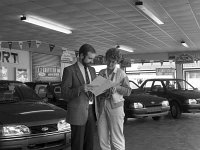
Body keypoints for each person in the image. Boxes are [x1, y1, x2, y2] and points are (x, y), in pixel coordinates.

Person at [61, 44, 97, 150]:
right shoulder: (69, 70)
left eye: (92, 58)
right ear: (81, 56)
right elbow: (64, 93)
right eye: (89, 58)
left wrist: (100, 88)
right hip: (77, 112)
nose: (91, 61)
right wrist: (80, 89)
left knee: (90, 143)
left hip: (92, 111)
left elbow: (94, 89)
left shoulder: (92, 70)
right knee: (78, 144)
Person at [97, 48, 131, 150]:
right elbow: (97, 90)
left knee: (116, 137)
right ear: (106, 59)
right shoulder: (102, 72)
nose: (110, 63)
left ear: (117, 62)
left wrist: (117, 88)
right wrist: (98, 90)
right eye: (108, 60)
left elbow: (128, 91)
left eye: (113, 62)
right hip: (102, 106)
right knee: (102, 137)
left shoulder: (121, 73)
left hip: (116, 107)